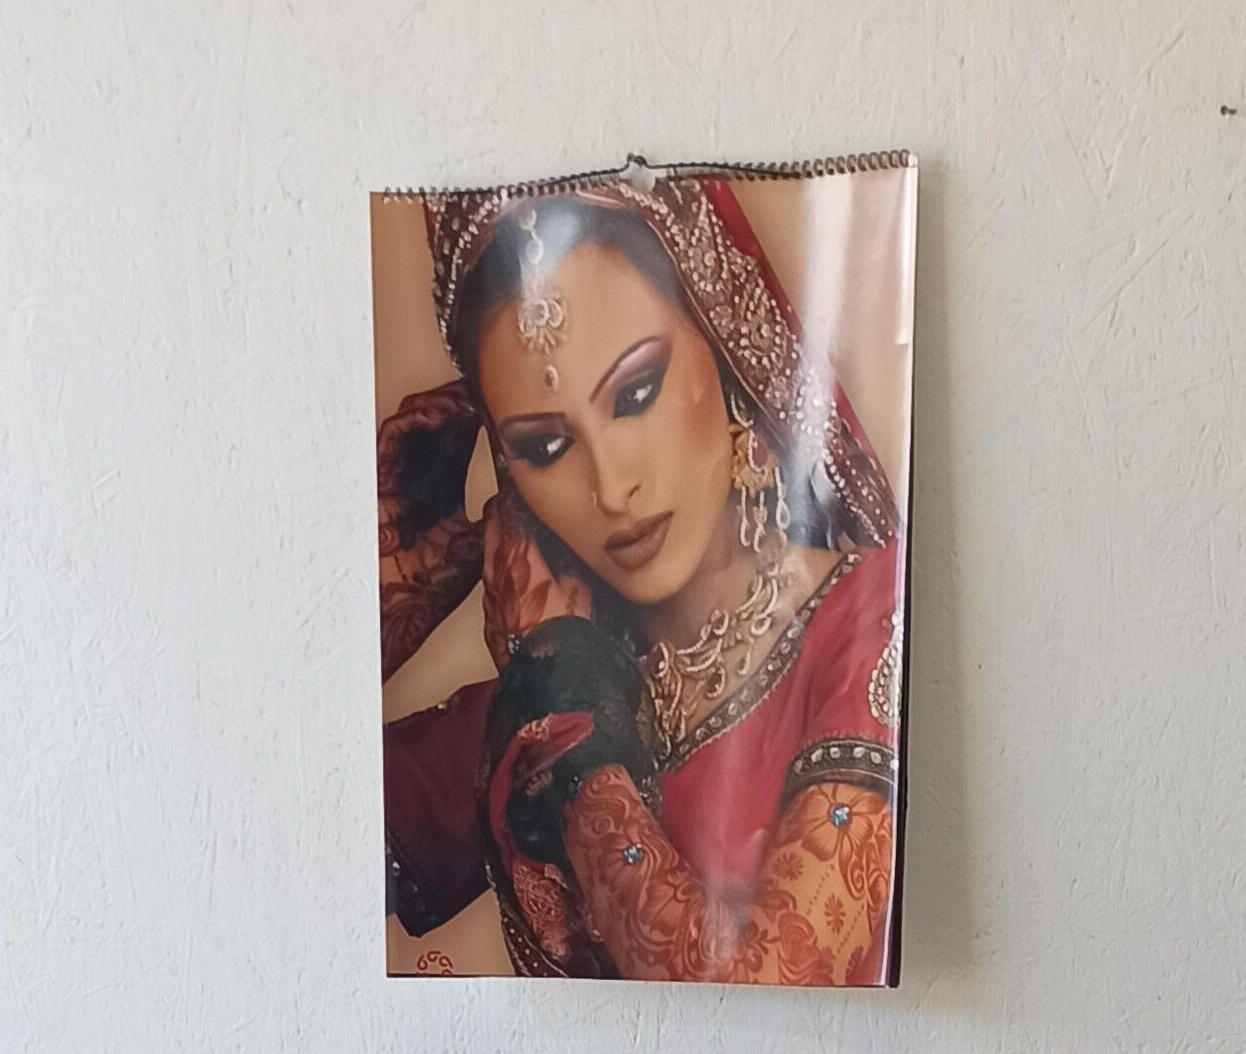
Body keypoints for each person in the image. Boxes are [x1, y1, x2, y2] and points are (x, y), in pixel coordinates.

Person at [379, 167, 905, 985]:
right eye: (545, 448)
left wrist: (574, 746)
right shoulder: (539, 702)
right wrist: (413, 564)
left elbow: (761, 993)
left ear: (726, 344)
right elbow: (260, 816)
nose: (612, 487)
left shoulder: (870, 625)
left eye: (636, 392)